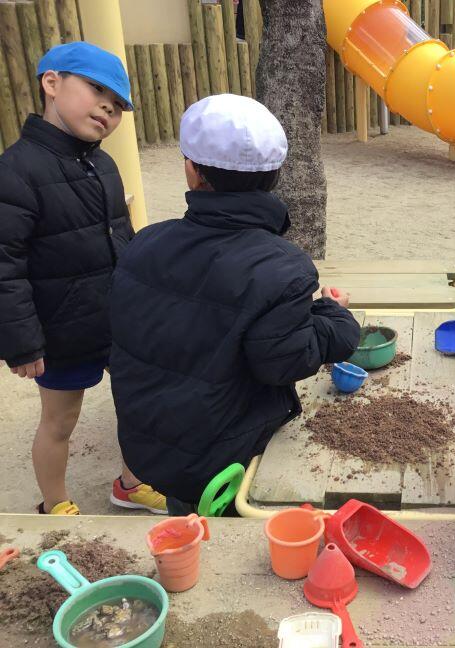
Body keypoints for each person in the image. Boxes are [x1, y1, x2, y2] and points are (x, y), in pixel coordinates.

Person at [109, 94, 361, 514]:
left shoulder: (145, 243)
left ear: (193, 172)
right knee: (223, 532)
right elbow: (285, 361)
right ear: (275, 176)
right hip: (224, 455)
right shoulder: (282, 267)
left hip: (152, 444)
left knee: (187, 519)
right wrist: (334, 315)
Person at [0, 42, 168, 515]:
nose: (107, 109)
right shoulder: (15, 171)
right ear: (51, 83)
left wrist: (145, 298)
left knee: (137, 400)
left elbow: (124, 239)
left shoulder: (103, 164)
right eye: (96, 90)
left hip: (115, 318)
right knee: (59, 420)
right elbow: (5, 265)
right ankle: (56, 504)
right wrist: (22, 342)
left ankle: (132, 484)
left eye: (116, 106)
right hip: (60, 329)